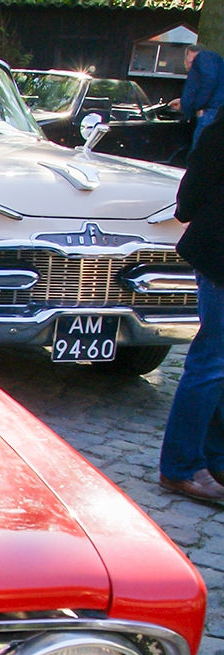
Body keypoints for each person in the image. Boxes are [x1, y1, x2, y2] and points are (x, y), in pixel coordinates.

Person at [158, 116, 224, 502]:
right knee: (212, 362)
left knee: (219, 363)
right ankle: (180, 467)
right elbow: (192, 193)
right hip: (219, 254)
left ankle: (214, 458)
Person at [168, 45, 224, 144]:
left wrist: (198, 106)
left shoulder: (202, 59)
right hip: (214, 111)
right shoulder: (214, 63)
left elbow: (209, 80)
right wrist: (184, 102)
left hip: (208, 113)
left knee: (200, 150)